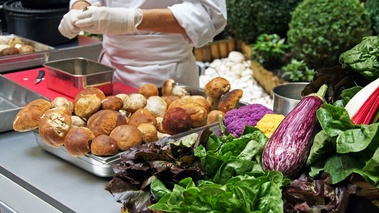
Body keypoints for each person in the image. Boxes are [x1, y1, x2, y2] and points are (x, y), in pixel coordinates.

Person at [58, 0, 227, 89]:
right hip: (109, 71)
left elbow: (209, 14)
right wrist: (79, 11)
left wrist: (133, 20)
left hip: (167, 76)